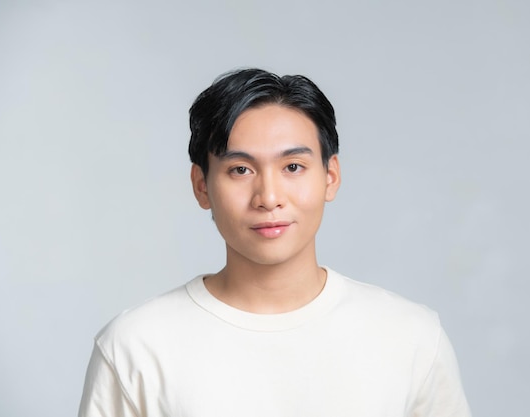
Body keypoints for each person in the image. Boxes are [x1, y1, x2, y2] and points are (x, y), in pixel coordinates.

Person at [78, 68, 472, 417]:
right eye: (240, 169)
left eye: (293, 167)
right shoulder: (136, 347)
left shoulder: (411, 336)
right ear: (202, 186)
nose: (268, 196)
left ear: (330, 176)